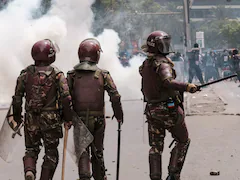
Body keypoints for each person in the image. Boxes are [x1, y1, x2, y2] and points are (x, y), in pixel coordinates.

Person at [139, 31, 198, 180]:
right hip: (168, 109)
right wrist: (187, 86)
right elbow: (167, 82)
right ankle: (173, 175)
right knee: (183, 140)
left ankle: (155, 177)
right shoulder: (162, 64)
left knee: (155, 148)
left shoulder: (146, 64)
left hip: (152, 110)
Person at [12, 39, 73, 180]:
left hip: (31, 118)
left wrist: (17, 116)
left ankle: (30, 171)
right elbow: (66, 98)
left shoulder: (25, 74)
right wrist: (68, 118)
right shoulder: (57, 74)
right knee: (51, 153)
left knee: (31, 150)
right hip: (51, 119)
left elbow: (17, 97)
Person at [67, 38, 124, 180]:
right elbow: (115, 96)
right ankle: (100, 176)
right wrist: (118, 114)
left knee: (82, 151)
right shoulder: (103, 74)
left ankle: (84, 176)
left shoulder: (72, 75)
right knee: (98, 151)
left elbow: (65, 98)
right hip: (98, 119)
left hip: (79, 119)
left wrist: (66, 117)